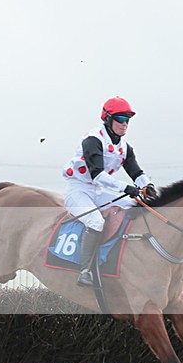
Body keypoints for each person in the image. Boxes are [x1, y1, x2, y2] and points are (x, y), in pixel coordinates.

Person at [62, 96, 158, 287]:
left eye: (127, 120)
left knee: (136, 207)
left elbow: (136, 172)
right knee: (96, 221)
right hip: (78, 190)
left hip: (99, 192)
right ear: (107, 119)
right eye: (120, 119)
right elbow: (97, 175)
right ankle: (85, 270)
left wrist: (148, 185)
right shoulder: (93, 139)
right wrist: (126, 187)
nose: (125, 125)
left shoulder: (124, 148)